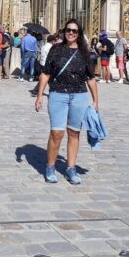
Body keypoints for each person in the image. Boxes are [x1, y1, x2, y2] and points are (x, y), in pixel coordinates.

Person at [35, 18, 98, 185]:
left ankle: (71, 168)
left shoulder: (85, 52)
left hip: (79, 96)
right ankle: (50, 166)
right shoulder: (55, 50)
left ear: (79, 34)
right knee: (57, 133)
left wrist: (95, 101)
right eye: (68, 30)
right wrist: (40, 95)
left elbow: (91, 78)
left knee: (74, 133)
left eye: (74, 31)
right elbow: (46, 73)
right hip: (58, 95)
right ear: (64, 31)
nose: (71, 33)